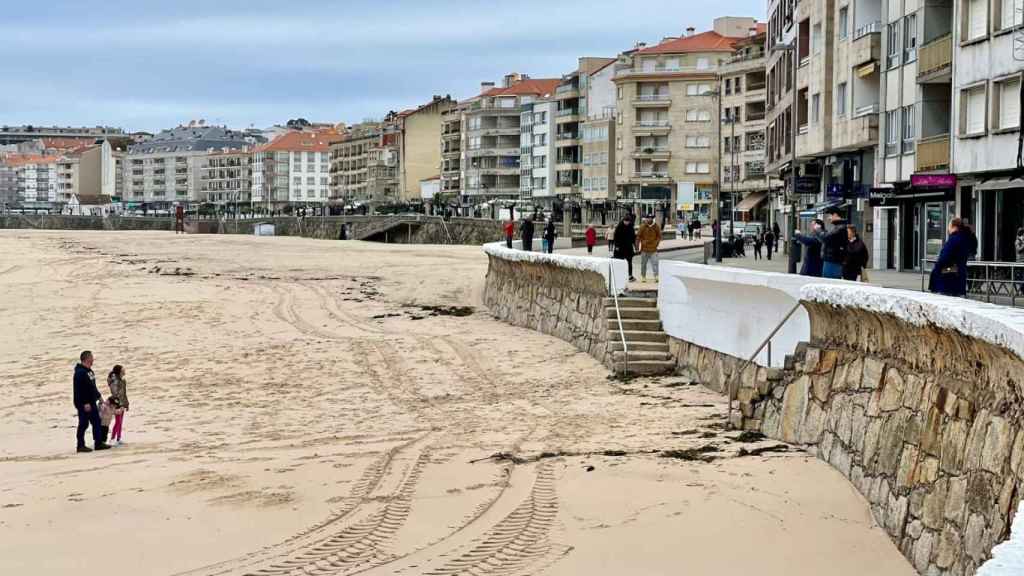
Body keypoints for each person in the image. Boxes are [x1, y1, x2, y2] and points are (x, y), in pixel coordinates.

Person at [73, 351, 109, 453]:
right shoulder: (80, 373)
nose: (93, 359)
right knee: (84, 424)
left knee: (96, 421)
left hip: (91, 401)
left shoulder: (90, 371)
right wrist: (84, 403)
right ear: (87, 359)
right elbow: (79, 390)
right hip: (83, 403)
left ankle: (98, 443)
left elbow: (93, 387)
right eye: (92, 357)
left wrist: (99, 397)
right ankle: (80, 445)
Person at [929, 218, 971, 297]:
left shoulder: (953, 240)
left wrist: (936, 269)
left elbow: (945, 258)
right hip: (959, 276)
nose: (948, 228)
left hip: (948, 278)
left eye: (949, 225)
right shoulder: (965, 239)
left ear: (954, 226)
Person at [821, 208, 848, 279]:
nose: (828, 218)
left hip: (833, 260)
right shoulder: (838, 227)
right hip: (832, 259)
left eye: (829, 215)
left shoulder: (840, 227)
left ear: (835, 215)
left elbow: (826, 238)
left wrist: (818, 230)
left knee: (829, 282)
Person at [108, 365, 129, 445]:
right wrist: (118, 404)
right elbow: (115, 393)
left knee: (120, 422)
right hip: (116, 403)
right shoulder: (115, 381)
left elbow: (124, 393)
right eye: (123, 369)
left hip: (122, 403)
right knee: (118, 421)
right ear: (119, 371)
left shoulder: (123, 381)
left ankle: (118, 438)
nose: (124, 370)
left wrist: (126, 404)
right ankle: (112, 439)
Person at [637, 216, 662, 282]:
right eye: (648, 218)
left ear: (652, 219)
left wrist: (656, 243)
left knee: (655, 263)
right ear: (646, 218)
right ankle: (643, 276)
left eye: (651, 218)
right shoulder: (642, 226)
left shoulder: (656, 226)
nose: (649, 219)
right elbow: (638, 236)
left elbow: (659, 236)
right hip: (644, 249)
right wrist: (637, 246)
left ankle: (656, 276)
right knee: (643, 264)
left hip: (653, 249)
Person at [613, 215, 637, 281]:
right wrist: (617, 246)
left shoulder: (631, 227)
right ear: (623, 221)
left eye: (627, 221)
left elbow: (633, 237)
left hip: (628, 247)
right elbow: (616, 237)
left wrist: (635, 246)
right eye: (625, 221)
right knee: (619, 262)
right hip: (620, 248)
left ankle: (630, 276)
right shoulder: (619, 227)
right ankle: (618, 275)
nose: (626, 223)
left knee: (629, 262)